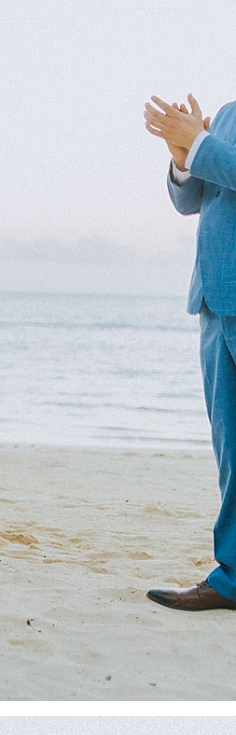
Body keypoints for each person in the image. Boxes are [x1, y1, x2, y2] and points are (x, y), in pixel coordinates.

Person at [143, 90, 236, 611]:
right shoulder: (227, 112)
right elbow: (191, 199)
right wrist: (182, 160)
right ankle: (232, 579)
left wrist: (196, 142)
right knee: (231, 451)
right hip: (214, 300)